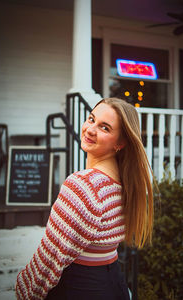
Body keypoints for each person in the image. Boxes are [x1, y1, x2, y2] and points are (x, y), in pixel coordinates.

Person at [15, 98, 154, 300]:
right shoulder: (125, 183)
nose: (90, 129)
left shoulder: (84, 186)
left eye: (104, 128)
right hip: (114, 285)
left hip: (78, 288)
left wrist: (24, 291)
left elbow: (49, 260)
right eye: (91, 119)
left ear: (120, 143)